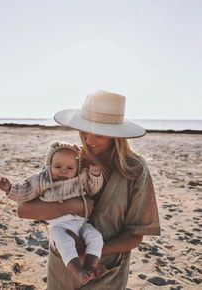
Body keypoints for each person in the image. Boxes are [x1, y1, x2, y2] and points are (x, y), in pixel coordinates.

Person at [17, 90, 161, 290]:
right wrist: (71, 206)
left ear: (117, 135)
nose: (89, 140)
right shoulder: (69, 160)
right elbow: (24, 210)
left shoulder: (135, 170)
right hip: (63, 268)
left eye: (99, 134)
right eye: (85, 131)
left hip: (110, 273)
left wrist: (92, 252)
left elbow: (136, 235)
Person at [0, 141, 104, 285]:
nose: (63, 171)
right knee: (64, 243)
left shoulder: (80, 178)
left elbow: (93, 189)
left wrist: (95, 175)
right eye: (58, 167)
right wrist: (9, 188)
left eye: (69, 167)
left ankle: (90, 267)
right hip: (59, 226)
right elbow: (25, 191)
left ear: (77, 168)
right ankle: (79, 271)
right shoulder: (43, 180)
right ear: (49, 165)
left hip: (81, 223)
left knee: (96, 237)